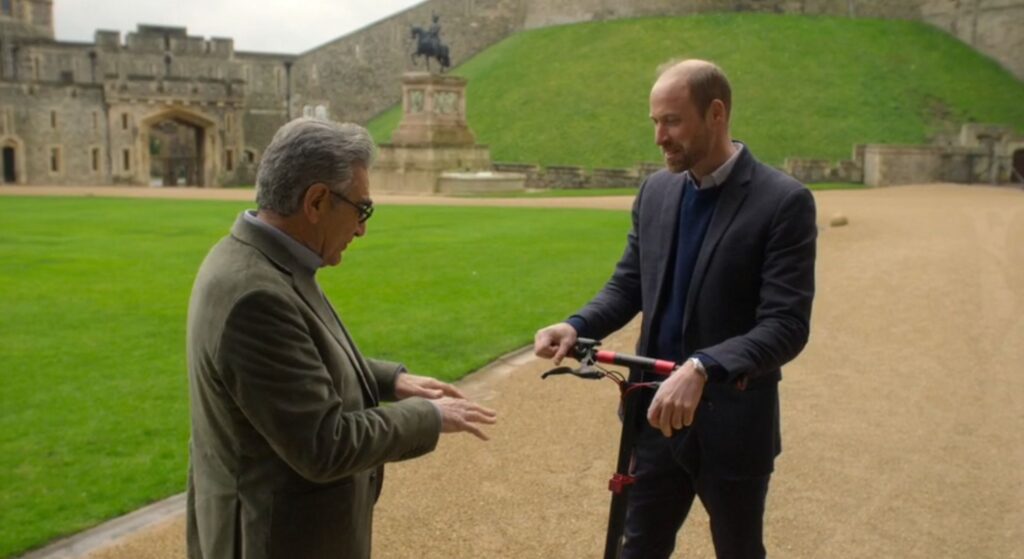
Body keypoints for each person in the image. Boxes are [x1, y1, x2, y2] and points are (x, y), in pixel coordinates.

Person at [534, 59, 816, 558]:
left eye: (672, 121)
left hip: (732, 424)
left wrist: (705, 366)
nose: (659, 137)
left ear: (716, 114)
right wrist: (576, 325)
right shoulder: (657, 191)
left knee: (739, 550)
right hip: (656, 418)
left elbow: (786, 325)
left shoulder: (783, 202)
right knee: (638, 548)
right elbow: (629, 285)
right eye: (655, 122)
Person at [186, 117, 497, 559]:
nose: (361, 229)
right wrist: (428, 415)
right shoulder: (256, 295)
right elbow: (324, 444)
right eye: (361, 209)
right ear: (316, 201)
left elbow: (296, 363)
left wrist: (391, 381)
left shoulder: (261, 260)